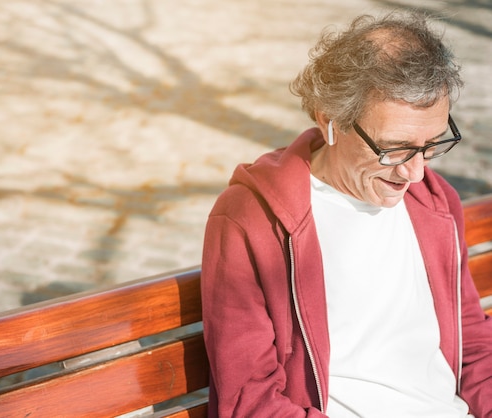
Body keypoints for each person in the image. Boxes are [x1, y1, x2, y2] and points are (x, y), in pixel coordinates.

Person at [201, 11, 492, 418]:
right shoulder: (254, 219)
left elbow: (472, 343)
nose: (416, 171)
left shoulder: (434, 201)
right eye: (395, 147)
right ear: (330, 121)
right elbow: (249, 401)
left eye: (432, 143)